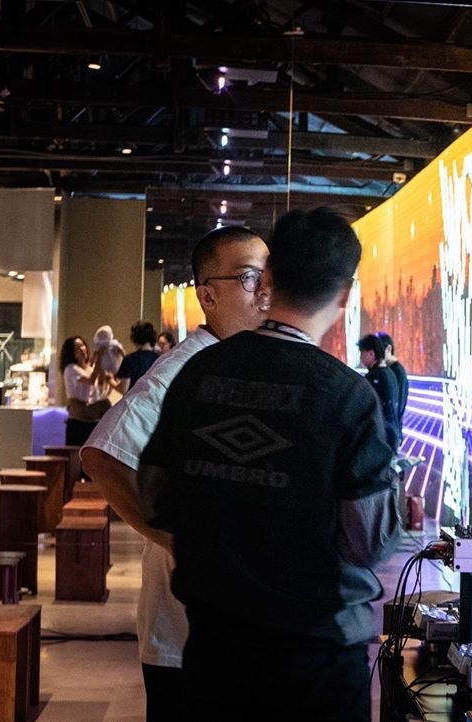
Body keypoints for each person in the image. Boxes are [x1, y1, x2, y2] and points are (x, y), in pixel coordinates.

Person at [138, 207, 401, 722]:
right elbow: (367, 542)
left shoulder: (197, 375)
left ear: (270, 278)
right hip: (317, 660)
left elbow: (155, 500)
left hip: (214, 651)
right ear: (345, 295)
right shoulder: (347, 396)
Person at [81, 226, 270, 722]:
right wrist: (176, 541)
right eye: (249, 278)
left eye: (269, 277)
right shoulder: (184, 367)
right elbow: (102, 454)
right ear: (207, 295)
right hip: (185, 636)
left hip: (230, 626)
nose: (264, 291)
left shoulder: (240, 360)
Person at [60, 335, 114, 445]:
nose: (82, 349)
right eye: (77, 348)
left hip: (93, 420)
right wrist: (99, 360)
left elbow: (99, 387)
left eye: (83, 345)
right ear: (71, 353)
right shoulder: (71, 368)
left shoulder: (90, 368)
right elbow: (91, 380)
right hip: (79, 422)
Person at [358, 332, 401, 453]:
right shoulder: (391, 373)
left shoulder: (373, 377)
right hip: (392, 434)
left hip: (380, 437)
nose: (361, 358)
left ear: (371, 354)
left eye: (362, 353)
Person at [377, 331, 409, 434]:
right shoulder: (389, 370)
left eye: (379, 350)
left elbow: (398, 405)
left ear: (388, 349)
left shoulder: (397, 372)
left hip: (391, 430)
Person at [117, 320, 162, 391]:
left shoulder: (129, 360)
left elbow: (123, 389)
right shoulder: (160, 359)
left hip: (135, 397)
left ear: (135, 338)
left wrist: (110, 380)